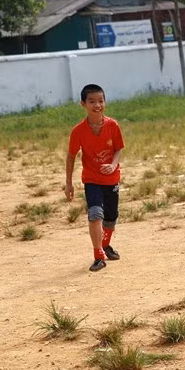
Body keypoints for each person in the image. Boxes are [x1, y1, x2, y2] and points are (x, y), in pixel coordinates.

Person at [65, 84, 124, 272]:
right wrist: (68, 183)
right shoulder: (78, 131)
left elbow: (118, 149)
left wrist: (113, 165)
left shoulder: (113, 125)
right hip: (91, 179)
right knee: (95, 214)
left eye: (100, 101)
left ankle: (106, 245)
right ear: (83, 104)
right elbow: (71, 155)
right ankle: (98, 255)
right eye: (92, 101)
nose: (97, 105)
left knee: (111, 217)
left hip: (111, 179)